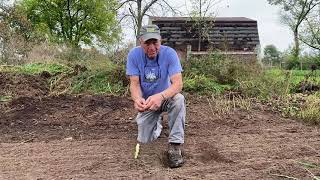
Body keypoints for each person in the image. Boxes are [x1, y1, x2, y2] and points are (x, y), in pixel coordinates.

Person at [126, 24, 186, 168]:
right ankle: (157, 122)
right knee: (145, 139)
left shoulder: (170, 53)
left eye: (155, 42)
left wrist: (160, 96)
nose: (152, 47)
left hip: (166, 98)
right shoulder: (134, 55)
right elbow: (134, 84)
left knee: (179, 99)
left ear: (160, 41)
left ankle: (175, 146)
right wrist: (137, 99)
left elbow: (178, 84)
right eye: (147, 43)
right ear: (141, 42)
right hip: (148, 103)